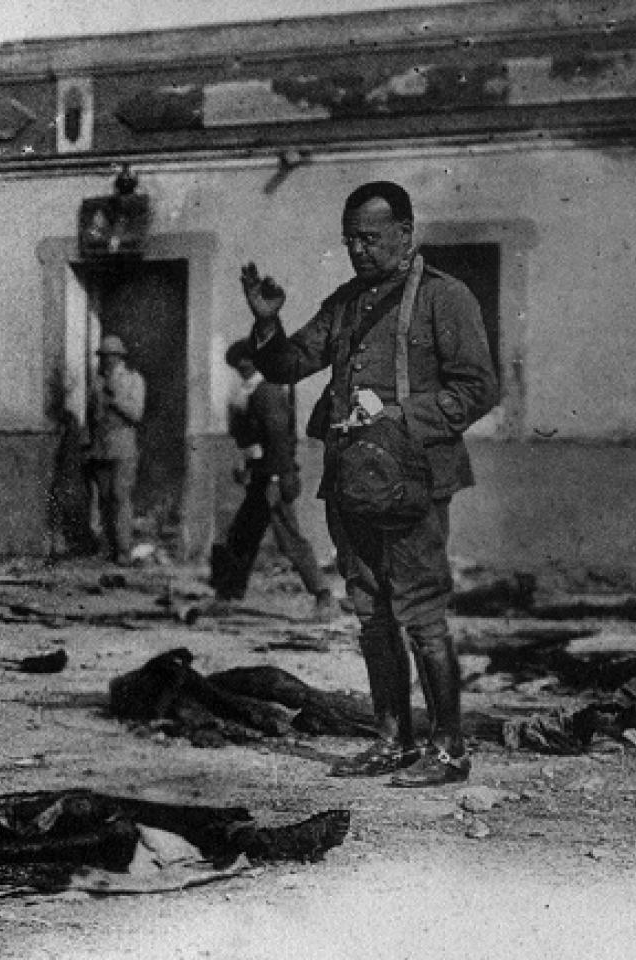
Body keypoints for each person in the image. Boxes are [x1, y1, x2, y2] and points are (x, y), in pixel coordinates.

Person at [241, 181, 497, 787]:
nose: (358, 249)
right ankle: (392, 740)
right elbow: (288, 365)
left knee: (422, 613)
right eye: (350, 239)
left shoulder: (445, 298)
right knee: (371, 613)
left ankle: (448, 749)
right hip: (352, 479)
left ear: (405, 234)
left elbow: (478, 389)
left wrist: (399, 416)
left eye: (370, 238)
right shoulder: (347, 303)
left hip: (414, 480)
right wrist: (267, 323)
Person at [211, 339, 338, 620]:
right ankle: (227, 594)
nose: (239, 370)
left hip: (274, 477)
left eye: (242, 365)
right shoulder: (252, 392)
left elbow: (279, 439)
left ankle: (324, 596)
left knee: (289, 538)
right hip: (262, 475)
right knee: (243, 534)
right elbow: (253, 438)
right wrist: (249, 465)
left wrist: (278, 478)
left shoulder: (266, 391)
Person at [86, 334, 146, 565]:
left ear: (120, 357)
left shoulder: (133, 380)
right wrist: (89, 443)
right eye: (102, 356)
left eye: (110, 356)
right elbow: (92, 416)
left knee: (120, 497)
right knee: (103, 499)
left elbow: (136, 414)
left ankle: (123, 550)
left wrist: (115, 399)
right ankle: (107, 548)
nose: (105, 360)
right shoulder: (96, 382)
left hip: (123, 447)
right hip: (100, 448)